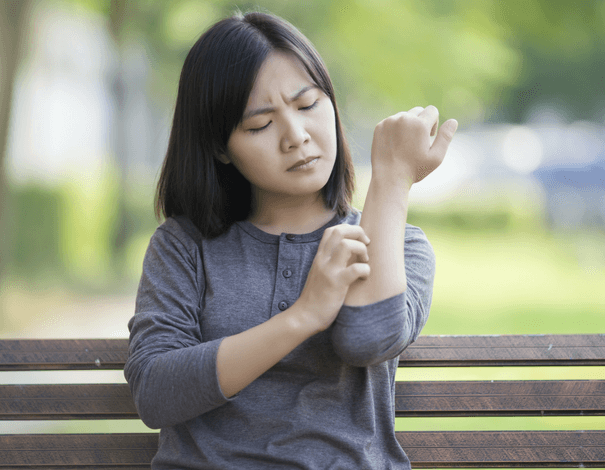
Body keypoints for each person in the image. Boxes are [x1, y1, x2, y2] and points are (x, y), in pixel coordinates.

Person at [124, 9, 457, 470]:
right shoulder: (184, 245)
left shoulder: (403, 248)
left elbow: (367, 340)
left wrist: (393, 180)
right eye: (260, 125)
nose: (296, 137)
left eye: (307, 105)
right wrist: (303, 316)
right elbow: (156, 393)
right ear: (220, 146)